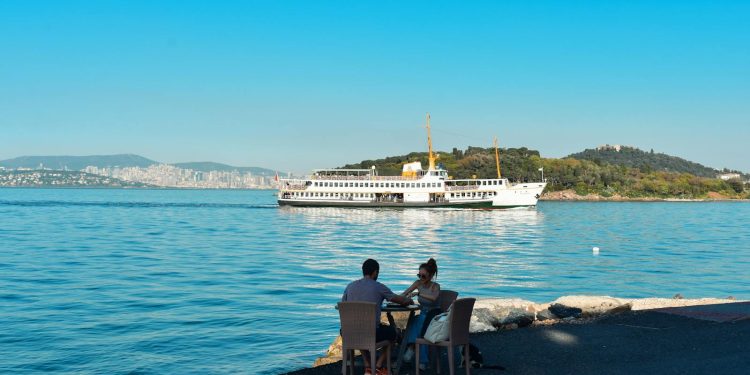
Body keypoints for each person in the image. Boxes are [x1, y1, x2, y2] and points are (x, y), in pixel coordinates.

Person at [342, 259, 413, 375]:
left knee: (359, 331)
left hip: (349, 332)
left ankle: (368, 366)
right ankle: (378, 366)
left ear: (363, 271)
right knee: (394, 333)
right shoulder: (379, 287)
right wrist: (408, 300)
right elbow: (399, 300)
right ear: (375, 272)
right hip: (370, 333)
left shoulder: (349, 286)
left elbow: (343, 305)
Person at [400, 258, 441, 368]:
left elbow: (433, 298)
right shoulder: (418, 283)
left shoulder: (435, 286)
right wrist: (396, 299)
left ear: (431, 275)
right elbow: (405, 293)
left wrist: (419, 294)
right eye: (419, 275)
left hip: (434, 316)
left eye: (424, 276)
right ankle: (416, 353)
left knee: (420, 321)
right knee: (414, 321)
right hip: (423, 314)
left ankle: (412, 349)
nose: (421, 278)